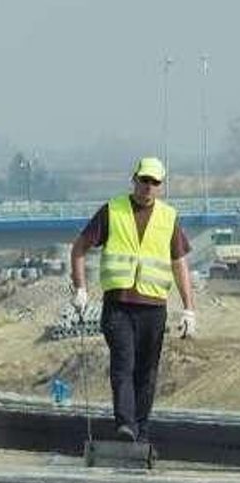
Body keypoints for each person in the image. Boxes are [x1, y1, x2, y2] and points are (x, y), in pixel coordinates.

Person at [69, 157, 196, 444]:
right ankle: (126, 425)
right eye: (143, 180)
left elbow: (179, 264)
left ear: (161, 186)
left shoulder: (168, 217)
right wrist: (81, 289)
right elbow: (79, 248)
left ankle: (141, 432)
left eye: (154, 182)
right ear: (134, 179)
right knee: (123, 364)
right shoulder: (112, 210)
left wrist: (189, 309)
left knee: (147, 371)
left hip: (154, 308)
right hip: (119, 306)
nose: (147, 187)